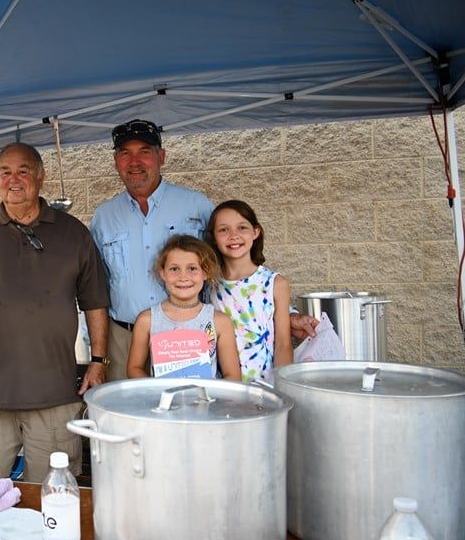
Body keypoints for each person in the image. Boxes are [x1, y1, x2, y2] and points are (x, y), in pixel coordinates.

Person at [91, 119, 317, 381]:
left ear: (161, 156)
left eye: (144, 151)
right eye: (124, 153)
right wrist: (97, 354)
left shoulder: (196, 205)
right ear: (115, 160)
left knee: (192, 415)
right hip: (126, 340)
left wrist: (285, 315)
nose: (134, 162)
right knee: (133, 418)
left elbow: (233, 265)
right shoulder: (103, 217)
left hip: (194, 337)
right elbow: (95, 287)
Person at [0, 142, 110, 484]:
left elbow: (95, 303)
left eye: (23, 171)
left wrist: (98, 361)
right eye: (5, 172)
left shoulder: (74, 234)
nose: (13, 180)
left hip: (54, 393)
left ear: (41, 176)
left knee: (50, 489)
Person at [126, 236, 241, 380]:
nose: (183, 277)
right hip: (161, 402)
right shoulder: (147, 320)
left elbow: (233, 376)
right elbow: (133, 368)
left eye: (192, 269)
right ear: (162, 273)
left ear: (206, 272)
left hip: (207, 401)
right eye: (174, 269)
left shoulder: (219, 321)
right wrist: (156, 392)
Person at [206, 200, 293, 382]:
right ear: (213, 237)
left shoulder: (275, 283)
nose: (233, 235)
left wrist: (283, 389)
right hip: (222, 389)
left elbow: (283, 344)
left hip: (265, 387)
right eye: (223, 229)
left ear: (256, 232)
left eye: (242, 227)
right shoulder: (208, 285)